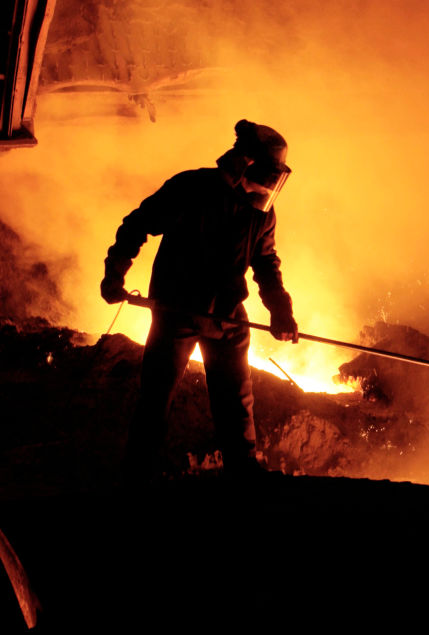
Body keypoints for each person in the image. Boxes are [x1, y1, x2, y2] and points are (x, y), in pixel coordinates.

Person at [100, 119, 299, 481]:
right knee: (157, 396)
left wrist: (281, 311)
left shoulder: (261, 214)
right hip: (177, 312)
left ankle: (243, 472)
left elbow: (266, 265)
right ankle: (137, 474)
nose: (269, 186)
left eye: (275, 178)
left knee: (236, 401)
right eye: (265, 174)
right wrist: (115, 272)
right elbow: (137, 224)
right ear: (243, 164)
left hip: (227, 317)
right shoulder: (192, 189)